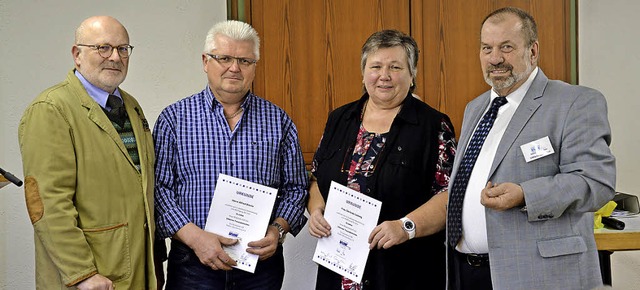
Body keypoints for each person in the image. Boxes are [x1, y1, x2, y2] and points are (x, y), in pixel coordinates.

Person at [445, 7, 616, 290]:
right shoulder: (475, 108)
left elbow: (596, 183)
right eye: (487, 48)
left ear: (533, 51)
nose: (495, 58)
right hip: (467, 273)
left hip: (540, 276)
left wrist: (526, 195)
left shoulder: (574, 102)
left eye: (507, 47)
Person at [153, 20, 309, 290]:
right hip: (192, 265)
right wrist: (196, 239)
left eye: (245, 61)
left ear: (254, 66)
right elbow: (158, 190)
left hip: (260, 267)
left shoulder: (278, 121)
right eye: (224, 58)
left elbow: (296, 188)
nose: (234, 68)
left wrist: (278, 230)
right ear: (205, 61)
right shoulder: (174, 119)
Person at [307, 29, 457, 290]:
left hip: (404, 270)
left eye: (395, 67)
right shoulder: (339, 119)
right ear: (364, 72)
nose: (384, 76)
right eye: (376, 66)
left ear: (412, 75)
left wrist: (406, 226)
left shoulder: (433, 126)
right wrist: (316, 210)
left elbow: (449, 195)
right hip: (338, 267)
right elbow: (318, 177)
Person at [18, 16, 157, 289]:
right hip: (89, 279)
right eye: (103, 48)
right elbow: (47, 203)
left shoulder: (131, 106)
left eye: (123, 49)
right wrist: (82, 273)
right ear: (77, 54)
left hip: (136, 270)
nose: (115, 57)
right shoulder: (51, 110)